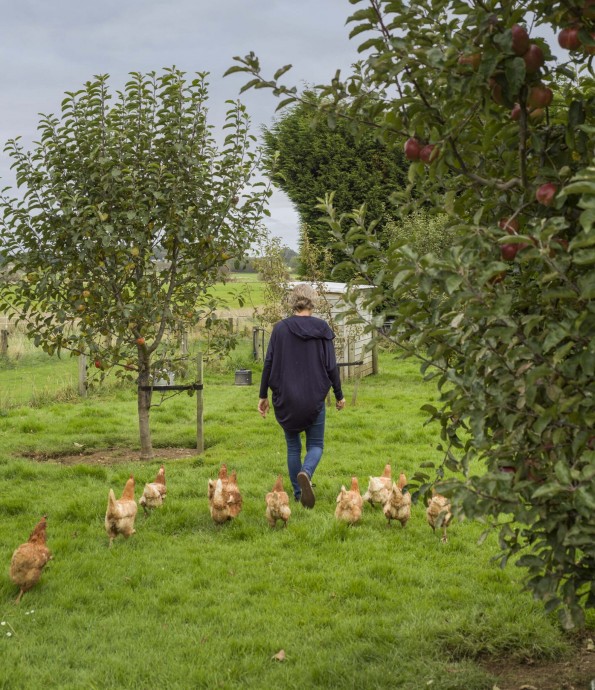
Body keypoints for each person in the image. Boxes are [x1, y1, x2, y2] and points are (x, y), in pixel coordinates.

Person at [258, 283, 346, 508]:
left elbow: (268, 363)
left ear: (293, 301)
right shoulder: (322, 328)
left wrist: (263, 395)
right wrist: (339, 394)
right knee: (316, 444)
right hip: (314, 398)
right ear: (312, 301)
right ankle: (306, 472)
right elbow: (331, 366)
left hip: (287, 398)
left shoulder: (280, 329)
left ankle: (298, 494)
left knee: (293, 446)